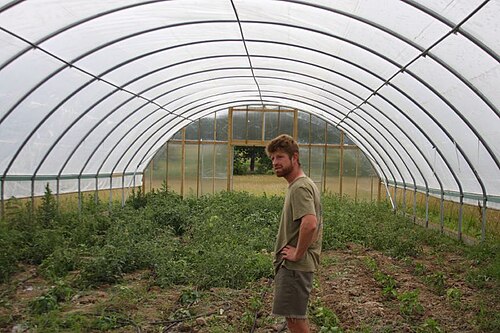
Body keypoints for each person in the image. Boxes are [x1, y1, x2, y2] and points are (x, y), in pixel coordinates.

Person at [265, 134, 323, 333]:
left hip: (295, 266)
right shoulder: (300, 184)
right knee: (294, 317)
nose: (275, 162)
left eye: (280, 157)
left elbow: (310, 223)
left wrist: (297, 253)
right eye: (272, 158)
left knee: (295, 320)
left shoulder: (299, 187)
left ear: (294, 157)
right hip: (295, 267)